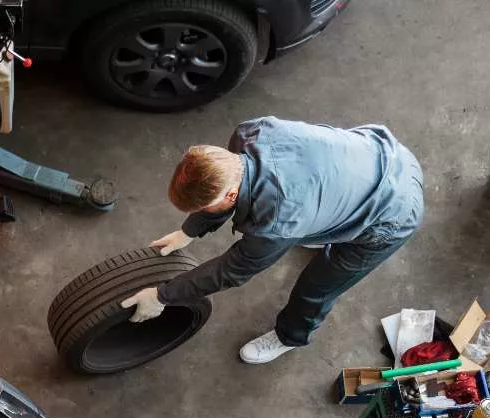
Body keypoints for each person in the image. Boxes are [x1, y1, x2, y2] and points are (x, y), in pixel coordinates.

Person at [121, 117, 424, 364]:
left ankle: (290, 337)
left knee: (316, 286)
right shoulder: (248, 133)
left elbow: (232, 270)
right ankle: (324, 220)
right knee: (298, 221)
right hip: (374, 154)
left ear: (228, 196)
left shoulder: (276, 220)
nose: (201, 213)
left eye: (203, 210)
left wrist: (162, 296)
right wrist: (187, 232)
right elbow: (224, 192)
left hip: (393, 212)